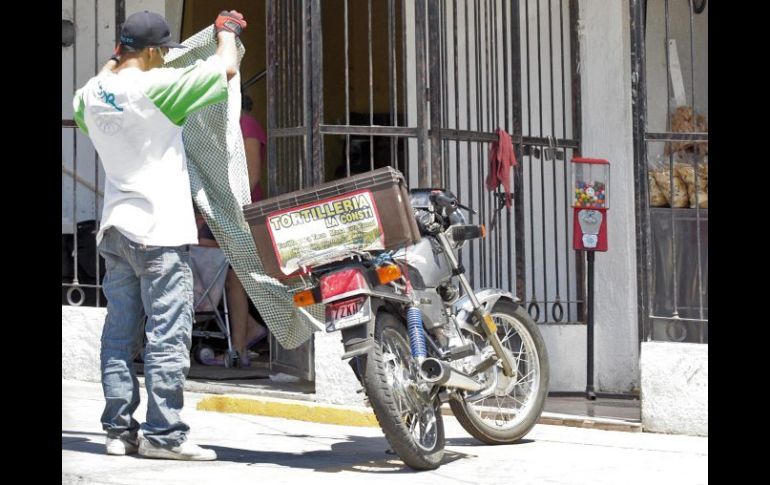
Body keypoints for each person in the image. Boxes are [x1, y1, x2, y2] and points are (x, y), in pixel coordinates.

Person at [72, 9, 248, 461]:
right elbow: (226, 67)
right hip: (160, 232)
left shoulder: (91, 95)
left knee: (119, 334)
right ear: (151, 51)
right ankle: (164, 436)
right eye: (161, 53)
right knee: (167, 335)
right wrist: (226, 31)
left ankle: (118, 431)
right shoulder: (157, 89)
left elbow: (99, 83)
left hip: (115, 230)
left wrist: (115, 60)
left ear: (119, 49)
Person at [197, 93, 268, 368]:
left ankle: (242, 341)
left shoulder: (246, 124)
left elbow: (251, 177)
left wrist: (221, 214)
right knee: (231, 277)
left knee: (233, 276)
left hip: (240, 214)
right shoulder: (224, 130)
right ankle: (244, 337)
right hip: (227, 213)